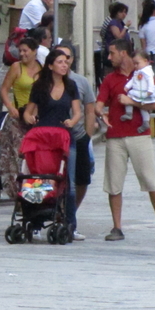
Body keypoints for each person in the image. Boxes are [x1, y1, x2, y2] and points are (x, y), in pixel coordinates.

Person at [95, 39, 155, 243]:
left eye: (112, 53)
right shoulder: (110, 79)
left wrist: (132, 102)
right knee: (114, 183)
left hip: (139, 135)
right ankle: (117, 226)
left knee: (150, 179)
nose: (109, 57)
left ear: (123, 53)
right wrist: (101, 113)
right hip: (115, 136)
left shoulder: (144, 73)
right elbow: (99, 103)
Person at [55, 43, 96, 241]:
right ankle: (58, 214)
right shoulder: (48, 82)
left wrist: (88, 135)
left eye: (67, 57)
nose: (64, 61)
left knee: (81, 179)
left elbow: (89, 109)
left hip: (77, 136)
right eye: (60, 57)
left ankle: (69, 215)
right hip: (54, 138)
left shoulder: (81, 82)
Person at [0, 37, 41, 198]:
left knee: (34, 157)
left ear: (34, 51)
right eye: (20, 51)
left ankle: (34, 191)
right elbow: (4, 90)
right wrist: (10, 107)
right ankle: (18, 192)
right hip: (18, 117)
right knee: (17, 156)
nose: (22, 54)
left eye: (25, 51)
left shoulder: (42, 70)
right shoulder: (17, 68)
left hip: (36, 118)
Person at [23, 50, 81, 130]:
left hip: (63, 132)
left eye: (66, 62)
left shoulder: (71, 85)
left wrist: (72, 122)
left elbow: (77, 112)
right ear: (50, 66)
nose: (64, 65)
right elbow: (27, 112)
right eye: (60, 62)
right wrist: (30, 118)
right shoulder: (39, 86)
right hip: (44, 131)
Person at [122, 51, 155, 134]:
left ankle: (129, 112)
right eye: (134, 64)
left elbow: (150, 81)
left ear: (145, 61)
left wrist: (150, 90)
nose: (135, 66)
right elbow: (133, 80)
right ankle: (145, 121)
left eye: (137, 63)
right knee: (142, 107)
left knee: (130, 95)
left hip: (144, 92)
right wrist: (127, 86)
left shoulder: (147, 71)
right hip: (140, 91)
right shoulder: (138, 71)